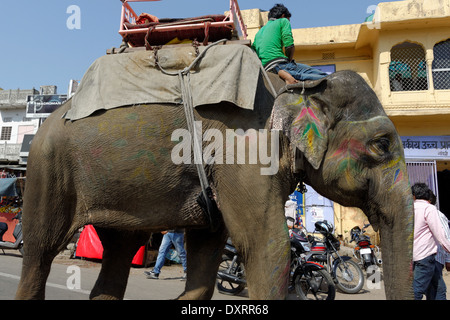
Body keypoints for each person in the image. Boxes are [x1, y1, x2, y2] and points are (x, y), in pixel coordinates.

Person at [251, 4, 328, 84]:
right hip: (281, 64)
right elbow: (289, 45)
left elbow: (253, 54)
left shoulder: (259, 32)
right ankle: (283, 72)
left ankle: (279, 71)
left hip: (266, 68)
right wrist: (289, 60)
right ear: (283, 15)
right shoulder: (283, 21)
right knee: (323, 76)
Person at [412, 183, 450, 300]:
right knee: (417, 291)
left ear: (413, 196)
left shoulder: (409, 208)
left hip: (414, 255)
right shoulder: (429, 209)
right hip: (426, 256)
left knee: (438, 288)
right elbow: (441, 234)